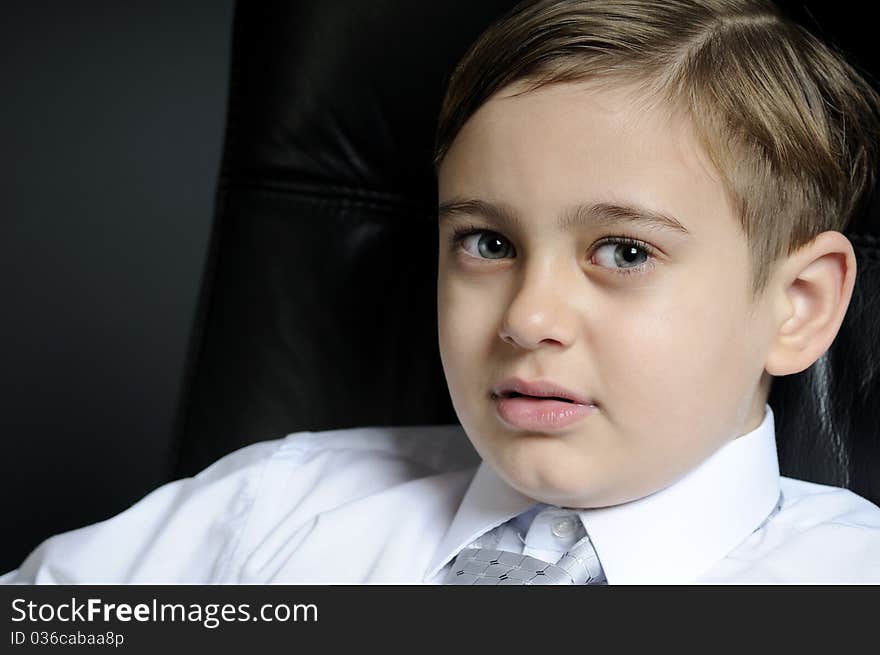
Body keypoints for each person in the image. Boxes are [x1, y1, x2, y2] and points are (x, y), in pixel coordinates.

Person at [4, 0, 880, 584]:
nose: (528, 318)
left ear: (796, 305)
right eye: (488, 242)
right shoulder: (272, 506)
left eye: (622, 250)